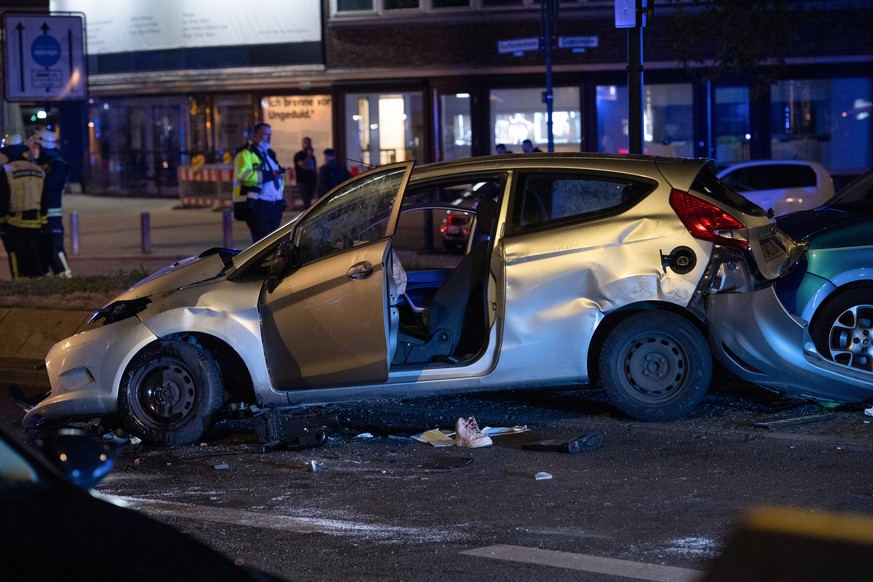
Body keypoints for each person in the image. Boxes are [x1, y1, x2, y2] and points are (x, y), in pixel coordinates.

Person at [231, 123, 287, 243]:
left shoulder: (270, 154)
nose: (269, 138)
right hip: (258, 206)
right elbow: (244, 176)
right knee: (264, 245)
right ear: (255, 135)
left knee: (272, 244)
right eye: (265, 135)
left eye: (270, 135)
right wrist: (270, 175)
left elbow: (277, 178)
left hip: (274, 206)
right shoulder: (244, 154)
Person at [0, 140, 46, 278]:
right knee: (33, 252)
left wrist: (1, 219)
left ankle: (20, 283)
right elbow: (45, 195)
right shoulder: (38, 169)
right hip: (35, 220)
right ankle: (37, 280)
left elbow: (3, 197)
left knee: (15, 254)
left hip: (14, 221)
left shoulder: (6, 170)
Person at [30, 129, 72, 278]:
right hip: (38, 213)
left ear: (43, 146)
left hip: (51, 214)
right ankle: (47, 277)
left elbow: (49, 189)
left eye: (36, 145)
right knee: (42, 248)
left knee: (55, 248)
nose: (33, 149)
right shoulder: (40, 164)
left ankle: (66, 276)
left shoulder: (57, 165)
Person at [293, 137, 317, 209]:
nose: (307, 145)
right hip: (303, 181)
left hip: (311, 181)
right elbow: (302, 165)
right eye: (305, 142)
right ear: (302, 144)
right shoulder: (299, 155)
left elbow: (314, 169)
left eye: (309, 143)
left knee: (309, 200)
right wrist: (308, 156)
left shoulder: (313, 157)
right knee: (306, 200)